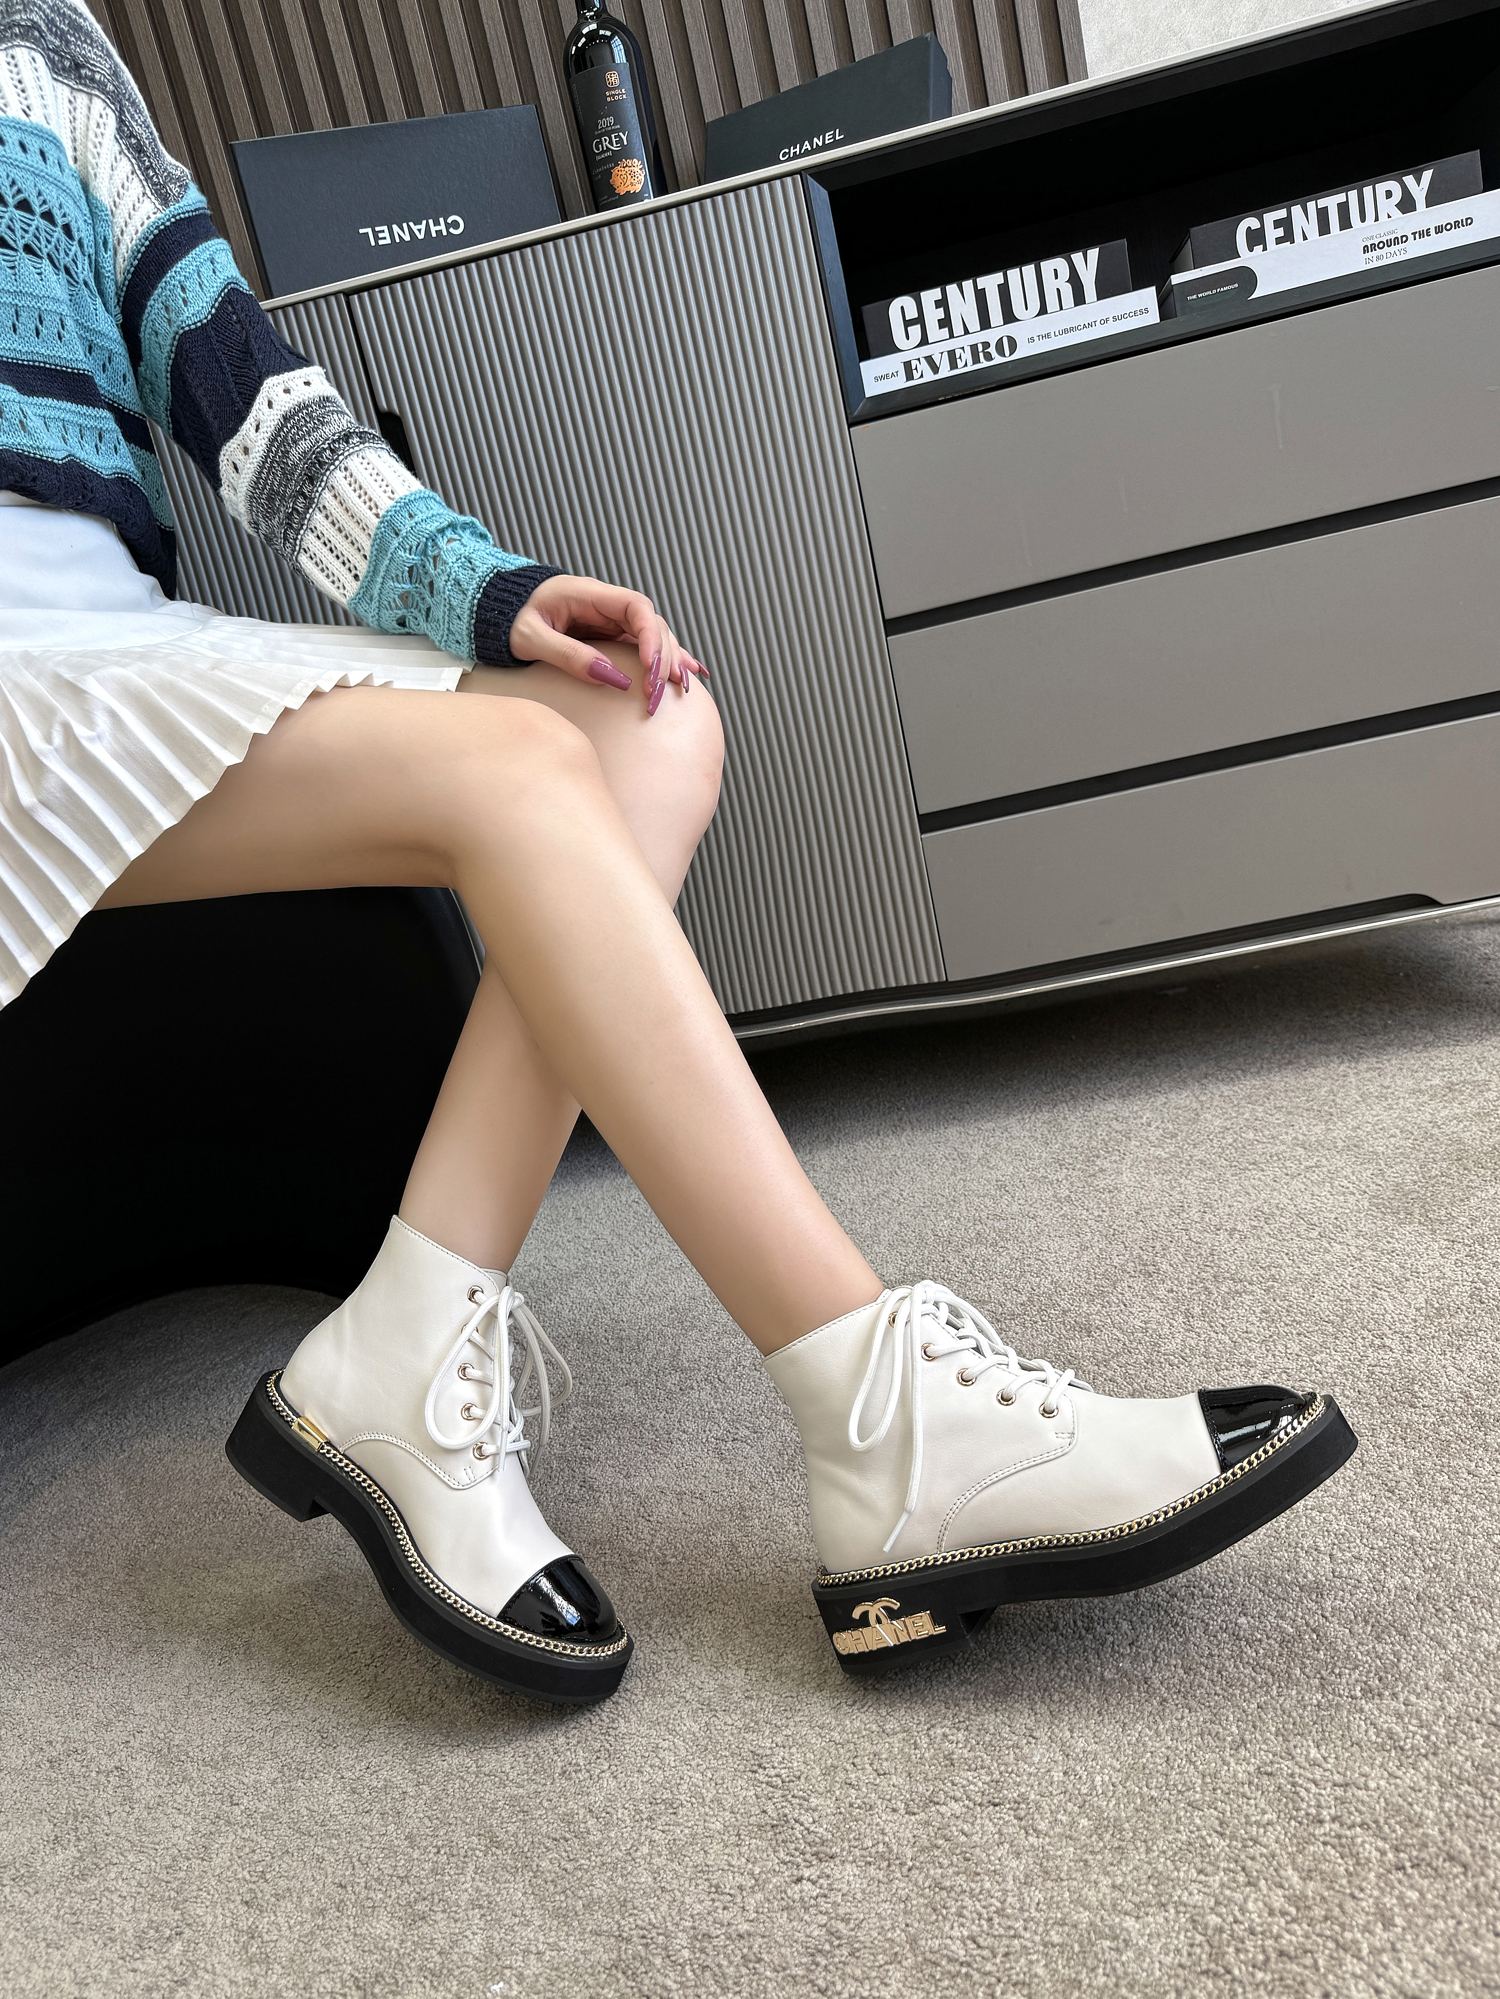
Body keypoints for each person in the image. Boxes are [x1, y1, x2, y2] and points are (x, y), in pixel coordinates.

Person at [0, 0, 1356, 1704]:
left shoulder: (50, 39)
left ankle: (402, 1349)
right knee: (514, 772)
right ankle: (884, 1424)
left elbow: (240, 386)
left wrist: (478, 587)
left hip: (111, 632)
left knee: (650, 724)